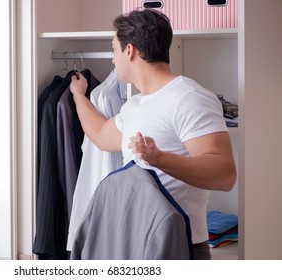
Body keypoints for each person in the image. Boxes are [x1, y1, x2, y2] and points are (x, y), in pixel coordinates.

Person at [69, 9, 237, 260]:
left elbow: (225, 175)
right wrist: (78, 96)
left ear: (130, 50)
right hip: (137, 243)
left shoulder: (189, 97)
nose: (113, 60)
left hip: (180, 245)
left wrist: (160, 159)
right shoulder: (134, 105)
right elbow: (102, 135)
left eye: (114, 50)